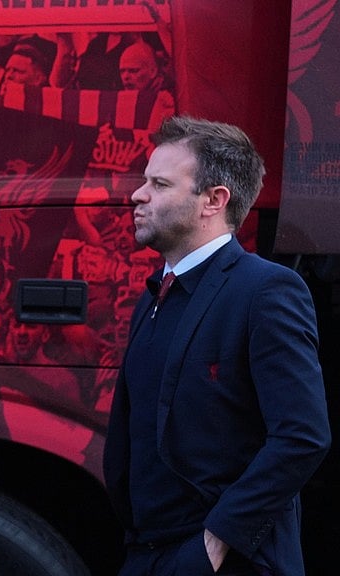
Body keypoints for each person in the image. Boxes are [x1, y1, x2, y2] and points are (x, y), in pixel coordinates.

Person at [103, 116, 331, 576]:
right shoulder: (152, 298)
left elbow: (302, 436)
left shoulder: (266, 291)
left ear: (214, 200)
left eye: (160, 184)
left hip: (225, 561)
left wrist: (214, 543)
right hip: (145, 554)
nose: (138, 195)